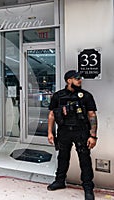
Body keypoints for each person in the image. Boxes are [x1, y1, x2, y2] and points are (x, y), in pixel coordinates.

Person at [47, 70, 98, 200]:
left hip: (81, 131)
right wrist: (49, 132)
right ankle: (60, 181)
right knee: (62, 157)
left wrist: (93, 136)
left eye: (80, 78)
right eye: (77, 78)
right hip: (63, 131)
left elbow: (92, 115)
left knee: (85, 160)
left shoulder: (86, 96)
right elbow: (52, 115)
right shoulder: (58, 96)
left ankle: (88, 188)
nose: (80, 80)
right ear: (68, 80)